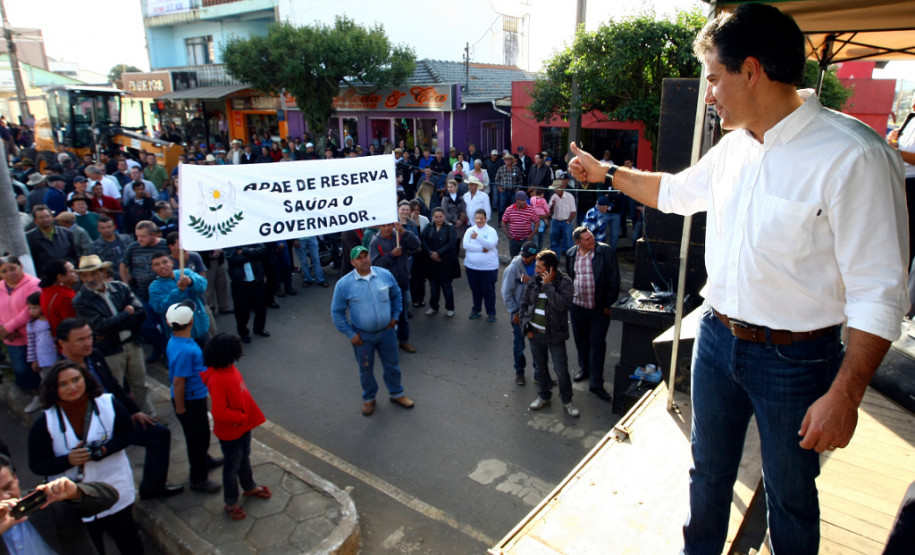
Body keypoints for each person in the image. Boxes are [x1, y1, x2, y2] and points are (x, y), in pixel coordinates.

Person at [568, 5, 907, 553]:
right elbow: (675, 192)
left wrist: (845, 395)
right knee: (706, 473)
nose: (709, 95)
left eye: (713, 78)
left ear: (751, 70)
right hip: (716, 340)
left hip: (797, 360)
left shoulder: (854, 157)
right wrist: (606, 172)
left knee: (790, 496)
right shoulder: (734, 147)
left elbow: (880, 294)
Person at [54, 317, 182, 501]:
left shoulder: (95, 355)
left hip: (116, 417)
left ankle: (152, 487)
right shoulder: (59, 375)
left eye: (89, 337)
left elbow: (113, 386)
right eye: (80, 339)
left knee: (159, 434)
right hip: (92, 433)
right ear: (63, 343)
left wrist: (134, 411)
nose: (88, 342)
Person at [27, 360, 143, 554]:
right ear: (54, 389)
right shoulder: (45, 422)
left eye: (76, 379)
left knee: (129, 541)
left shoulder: (108, 404)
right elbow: (37, 465)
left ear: (85, 379)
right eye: (63, 384)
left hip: (113, 486)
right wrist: (67, 461)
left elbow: (130, 434)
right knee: (90, 547)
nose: (72, 387)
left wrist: (105, 450)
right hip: (74, 498)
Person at [331, 246, 415, 416]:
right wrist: (351, 334)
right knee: (366, 369)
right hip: (363, 338)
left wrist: (395, 316)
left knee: (392, 366)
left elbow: (396, 295)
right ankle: (369, 398)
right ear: (352, 262)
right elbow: (337, 312)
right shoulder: (344, 284)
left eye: (366, 255)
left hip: (387, 333)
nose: (364, 260)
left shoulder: (384, 275)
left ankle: (397, 393)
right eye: (359, 258)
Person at [201, 333, 271, 521]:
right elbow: (219, 411)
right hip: (231, 430)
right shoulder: (217, 379)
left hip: (242, 427)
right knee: (231, 467)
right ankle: (231, 502)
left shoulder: (229, 369)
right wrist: (240, 417)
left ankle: (249, 486)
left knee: (244, 458)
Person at [71, 255, 151, 413]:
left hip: (132, 343)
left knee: (141, 385)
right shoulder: (80, 300)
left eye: (93, 273)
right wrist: (126, 314)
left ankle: (149, 416)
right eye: (85, 276)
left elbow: (141, 313)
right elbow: (100, 327)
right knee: (115, 389)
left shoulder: (120, 288)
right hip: (109, 350)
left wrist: (115, 323)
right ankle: (125, 420)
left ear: (102, 272)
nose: (89, 279)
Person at [0, 454, 118, 555]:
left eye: (8, 487)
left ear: (15, 478)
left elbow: (110, 497)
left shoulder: (48, 500)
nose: (4, 496)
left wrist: (76, 493)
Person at [165, 300, 223, 494]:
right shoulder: (186, 351)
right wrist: (181, 407)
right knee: (198, 439)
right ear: (191, 322)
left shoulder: (176, 341)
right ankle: (198, 479)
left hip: (194, 397)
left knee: (200, 434)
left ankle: (205, 460)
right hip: (190, 400)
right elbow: (179, 381)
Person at [563, 228, 619, 403]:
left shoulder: (605, 252)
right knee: (581, 341)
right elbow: (568, 278)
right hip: (577, 307)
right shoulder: (571, 254)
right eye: (586, 239)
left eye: (591, 237)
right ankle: (585, 369)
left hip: (598, 309)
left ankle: (596, 382)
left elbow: (614, 279)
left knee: (597, 343)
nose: (591, 241)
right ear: (578, 242)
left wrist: (608, 304)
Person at [520, 250, 578, 417]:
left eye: (540, 267)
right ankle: (544, 395)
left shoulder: (565, 282)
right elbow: (524, 304)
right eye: (536, 266)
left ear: (551, 268)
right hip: (535, 333)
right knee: (540, 368)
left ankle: (567, 400)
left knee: (561, 370)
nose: (536, 270)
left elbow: (562, 305)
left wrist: (548, 286)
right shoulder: (534, 280)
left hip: (555, 335)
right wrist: (527, 328)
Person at [370, 222, 421, 353]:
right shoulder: (375, 242)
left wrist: (404, 232)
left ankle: (404, 340)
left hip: (402, 283)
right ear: (379, 227)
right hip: (385, 287)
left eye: (389, 225)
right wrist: (392, 255)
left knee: (403, 315)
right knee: (386, 317)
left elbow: (416, 245)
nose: (387, 228)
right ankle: (386, 343)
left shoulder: (400, 236)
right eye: (383, 226)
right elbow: (375, 266)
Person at [0, 255, 42, 411]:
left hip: (33, 336)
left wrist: (9, 327)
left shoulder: (33, 284)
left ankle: (45, 397)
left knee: (38, 368)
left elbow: (29, 310)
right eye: (4, 271)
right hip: (11, 338)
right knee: (21, 369)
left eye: (13, 268)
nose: (9, 273)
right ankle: (35, 396)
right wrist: (3, 330)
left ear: (21, 267)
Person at [149, 252, 210, 345]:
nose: (162, 266)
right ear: (153, 268)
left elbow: (203, 286)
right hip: (180, 337)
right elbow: (161, 307)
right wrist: (179, 291)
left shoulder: (186, 272)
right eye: (157, 264)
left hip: (201, 327)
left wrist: (191, 281)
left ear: (172, 262)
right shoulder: (154, 287)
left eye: (165, 262)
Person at [501, 241, 540, 386]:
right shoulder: (513, 269)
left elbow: (546, 284)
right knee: (519, 345)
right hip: (519, 313)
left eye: (528, 257)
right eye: (523, 255)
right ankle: (519, 371)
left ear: (535, 256)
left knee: (538, 344)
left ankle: (539, 373)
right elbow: (506, 293)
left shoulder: (540, 266)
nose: (524, 258)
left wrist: (531, 281)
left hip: (536, 312)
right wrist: (515, 312)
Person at [225, 244, 270, 344]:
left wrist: (244, 251)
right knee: (242, 310)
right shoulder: (229, 242)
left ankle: (259, 328)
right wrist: (252, 255)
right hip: (240, 282)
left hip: (257, 279)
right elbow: (232, 259)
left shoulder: (252, 238)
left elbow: (262, 250)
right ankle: (243, 332)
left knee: (260, 306)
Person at [421, 208, 460, 317]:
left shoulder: (449, 227)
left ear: (444, 216)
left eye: (441, 217)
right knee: (433, 286)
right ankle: (433, 306)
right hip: (432, 262)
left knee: (446, 286)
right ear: (432, 217)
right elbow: (423, 240)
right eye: (436, 217)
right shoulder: (429, 226)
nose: (439, 219)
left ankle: (450, 308)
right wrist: (430, 253)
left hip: (445, 261)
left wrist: (438, 253)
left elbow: (451, 243)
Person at [463, 209, 499, 322]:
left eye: (481, 218)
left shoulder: (491, 231)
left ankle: (491, 313)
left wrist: (477, 237)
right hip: (472, 267)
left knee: (489, 291)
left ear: (486, 218)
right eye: (477, 219)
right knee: (476, 290)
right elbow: (466, 245)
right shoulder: (469, 230)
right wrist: (481, 249)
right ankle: (476, 310)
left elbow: (490, 245)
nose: (479, 221)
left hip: (489, 268)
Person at [25, 205, 78, 278]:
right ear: (35, 221)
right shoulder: (30, 237)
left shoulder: (66, 233)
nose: (45, 219)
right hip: (46, 277)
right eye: (41, 217)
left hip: (68, 274)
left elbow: (75, 254)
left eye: (47, 216)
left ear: (52, 217)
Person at [38, 259, 79, 339]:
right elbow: (74, 324)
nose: (76, 273)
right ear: (60, 277)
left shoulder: (47, 292)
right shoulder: (64, 297)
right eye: (72, 271)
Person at [501, 191, 540, 258]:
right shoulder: (509, 209)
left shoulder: (531, 210)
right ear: (517, 200)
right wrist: (508, 235)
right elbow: (503, 222)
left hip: (526, 239)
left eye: (525, 200)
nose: (524, 202)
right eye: (522, 200)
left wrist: (531, 235)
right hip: (513, 239)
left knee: (526, 257)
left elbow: (537, 222)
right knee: (513, 257)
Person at [547, 179, 577, 260]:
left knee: (568, 242)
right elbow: (549, 212)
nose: (555, 191)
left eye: (557, 188)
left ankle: (569, 260)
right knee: (554, 242)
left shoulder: (570, 197)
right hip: (555, 221)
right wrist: (553, 205)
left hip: (566, 222)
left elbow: (573, 211)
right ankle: (555, 260)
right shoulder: (553, 197)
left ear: (562, 188)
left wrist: (568, 221)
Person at [494, 153, 523, 221]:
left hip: (513, 192)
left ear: (511, 160)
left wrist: (518, 189)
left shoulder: (516, 169)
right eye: (506, 159)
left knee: (514, 207)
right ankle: (500, 221)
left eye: (509, 159)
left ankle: (513, 221)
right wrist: (499, 188)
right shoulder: (501, 169)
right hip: (503, 191)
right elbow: (497, 179)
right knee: (501, 207)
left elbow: (520, 180)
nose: (507, 160)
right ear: (504, 161)